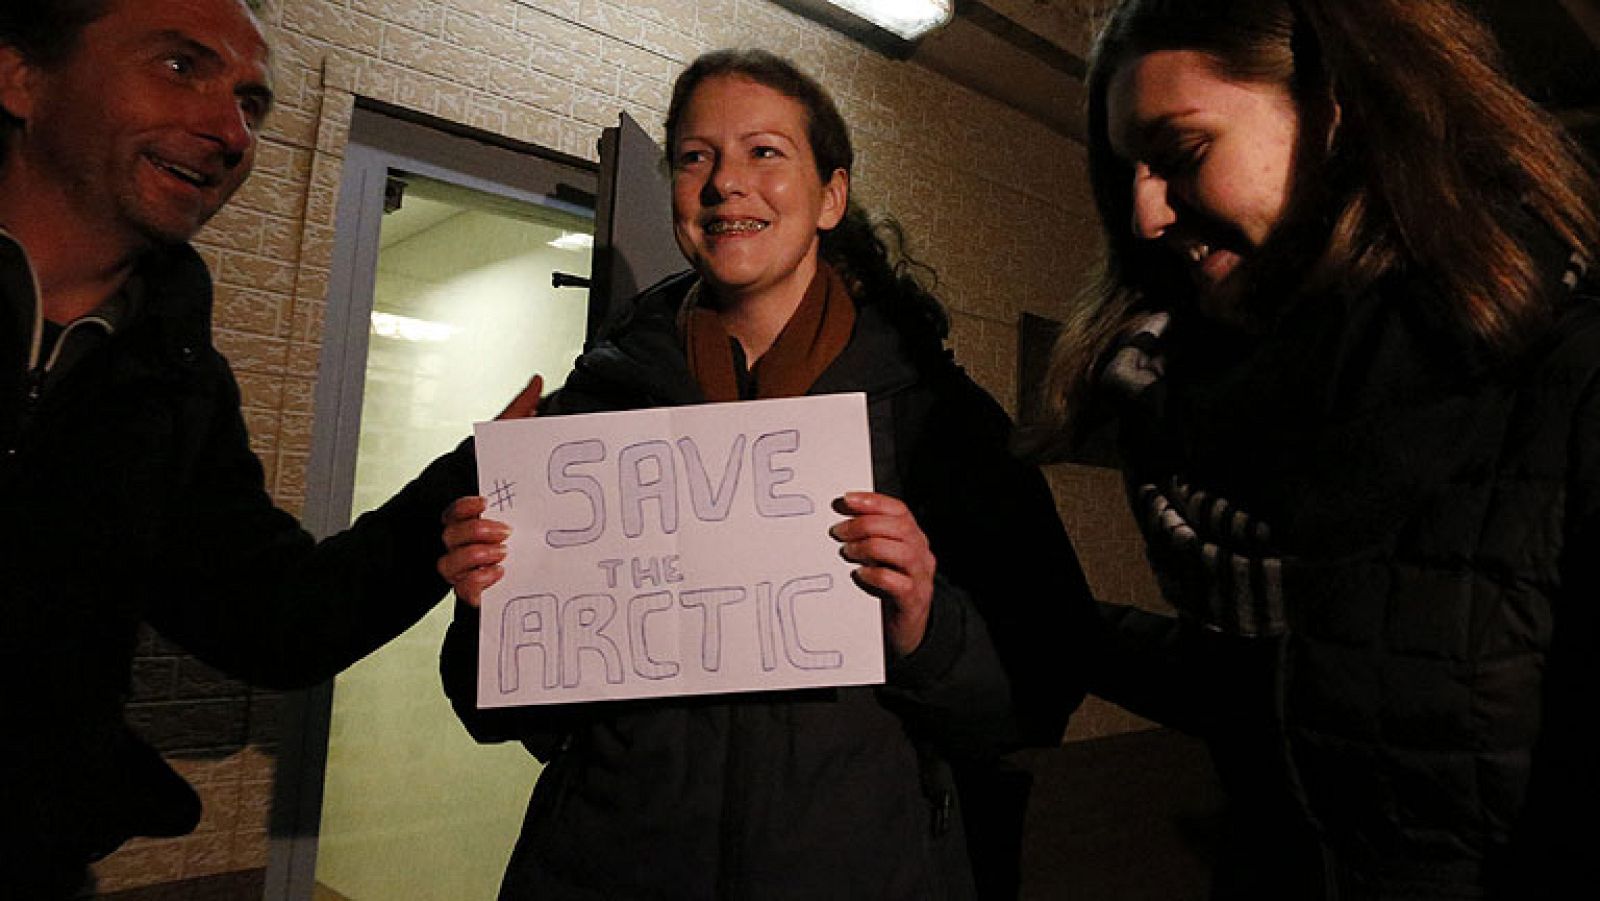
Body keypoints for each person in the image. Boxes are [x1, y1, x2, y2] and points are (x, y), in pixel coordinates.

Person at [437, 48, 1095, 900]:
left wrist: (928, 626)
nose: (725, 184)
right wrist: (489, 604)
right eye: (696, 156)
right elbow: (498, 716)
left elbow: (1036, 696)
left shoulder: (939, 423)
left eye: (765, 152)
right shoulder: (588, 420)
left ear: (831, 196)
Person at [1040, 0, 1600, 896]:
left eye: (1181, 154)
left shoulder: (1566, 390)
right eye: (1129, 174)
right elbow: (1296, 685)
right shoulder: (1214, 416)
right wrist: (1025, 615)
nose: (1145, 216)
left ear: (1335, 109)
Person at [0, 0, 517, 895]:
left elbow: (278, 616)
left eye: (252, 101)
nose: (229, 130)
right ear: (21, 75)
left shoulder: (174, 379)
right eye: (180, 67)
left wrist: (478, 474)